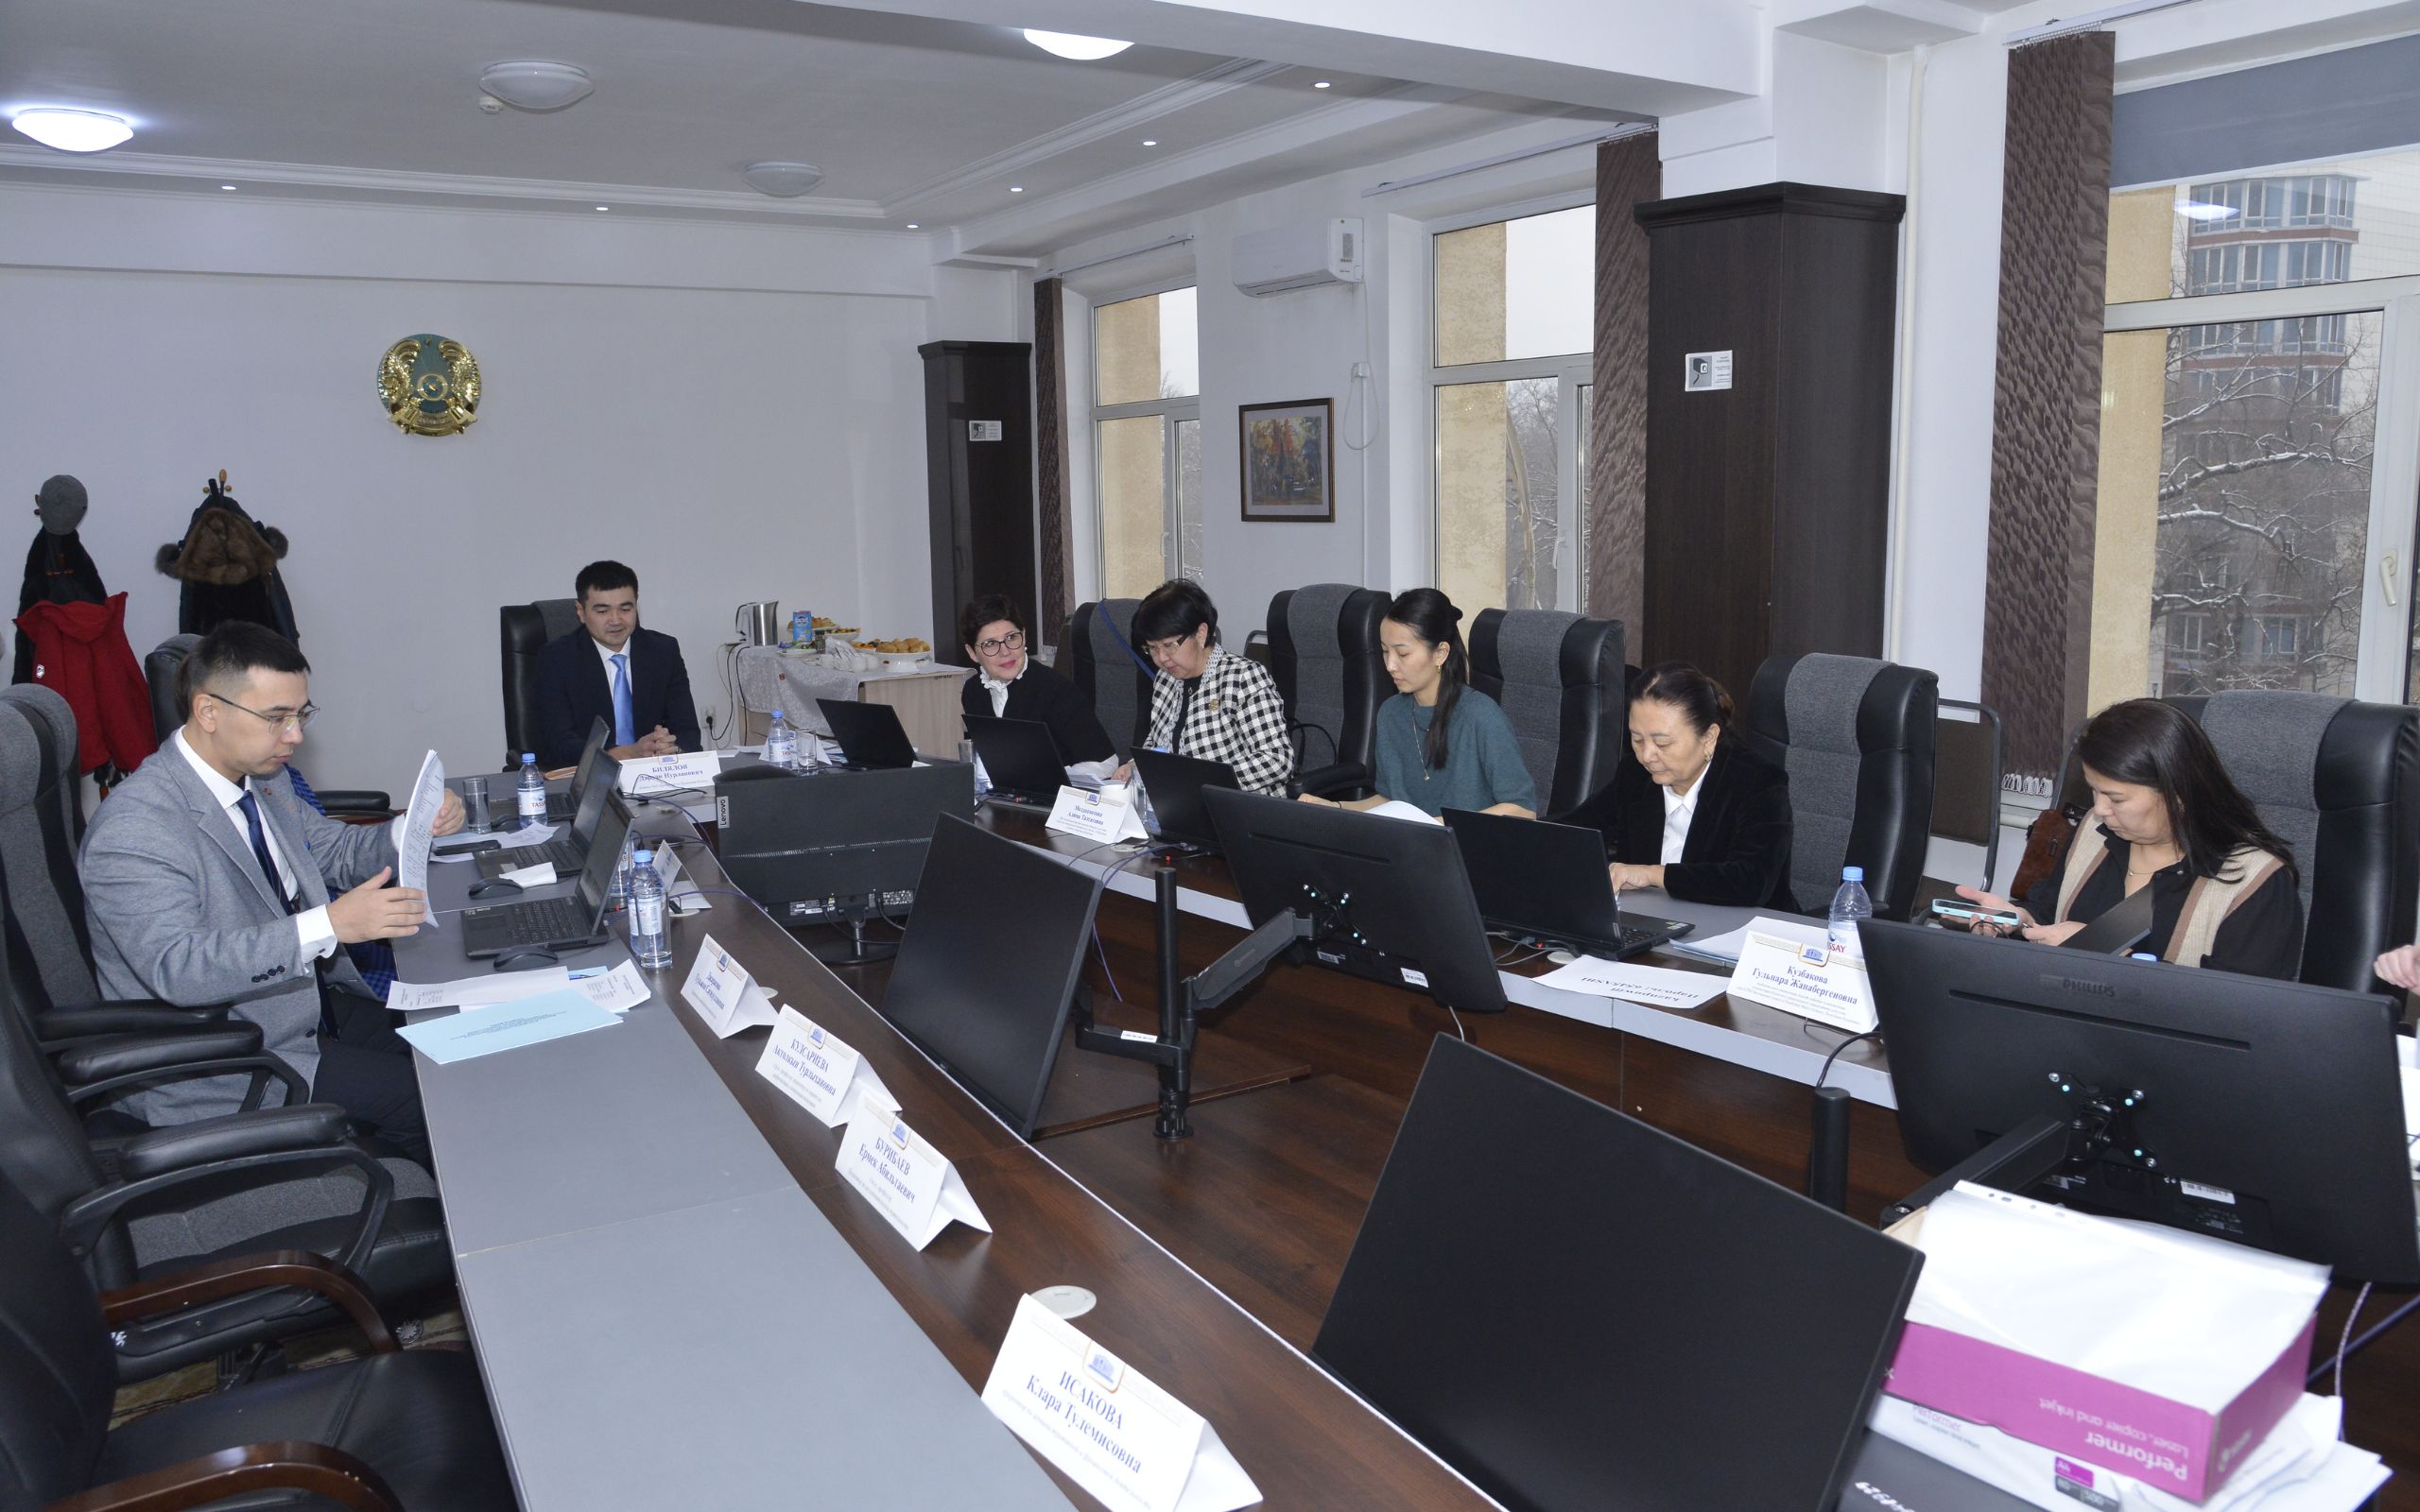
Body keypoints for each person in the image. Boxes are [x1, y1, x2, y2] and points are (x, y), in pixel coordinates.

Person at [79, 623, 463, 1151]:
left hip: (299, 1006)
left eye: (301, 714)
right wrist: (329, 924)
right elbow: (180, 968)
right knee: (424, 1101)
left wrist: (412, 827)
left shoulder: (263, 778)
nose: (295, 736)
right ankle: (391, 1192)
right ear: (208, 711)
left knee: (451, 1039)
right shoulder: (136, 827)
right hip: (225, 1055)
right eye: (276, 718)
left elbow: (333, 852)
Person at [1956, 698, 2301, 979]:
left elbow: (2240, 1014)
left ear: (2178, 794)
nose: (2099, 809)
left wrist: (2105, 958)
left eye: (2116, 799)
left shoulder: (2255, 884)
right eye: (2094, 790)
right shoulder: (2094, 833)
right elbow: (2049, 910)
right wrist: (2017, 918)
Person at [1556, 662, 1794, 908]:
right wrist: (1533, 833)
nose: (1646, 755)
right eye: (1637, 739)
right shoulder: (1636, 774)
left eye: (1662, 744)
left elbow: (1751, 882)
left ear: (1709, 738)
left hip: (1743, 925)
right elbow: (1576, 829)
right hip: (1651, 917)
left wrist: (1651, 875)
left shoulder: (1758, 782)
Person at [1298, 588, 1535, 819]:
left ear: (1440, 653)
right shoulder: (1390, 713)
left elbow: (1522, 809)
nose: (1390, 665)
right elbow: (1391, 801)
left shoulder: (1481, 716)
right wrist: (1336, 807)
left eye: (1403, 654)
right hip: (1410, 841)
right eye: (1384, 651)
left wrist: (1439, 826)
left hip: (1465, 843)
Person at [1125, 578, 1294, 796]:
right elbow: (1160, 741)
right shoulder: (1165, 679)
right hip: (1184, 804)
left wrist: (1206, 781)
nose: (1162, 658)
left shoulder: (1242, 677)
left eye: (1169, 645)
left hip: (1240, 806)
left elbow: (1278, 759)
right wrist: (1136, 765)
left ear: (1201, 633)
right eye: (1152, 648)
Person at [530, 559, 700, 766]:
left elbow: (688, 730)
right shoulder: (556, 658)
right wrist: (628, 753)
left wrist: (671, 748)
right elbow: (559, 741)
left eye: (625, 609)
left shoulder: (663, 651)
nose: (616, 620)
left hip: (655, 774)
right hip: (588, 776)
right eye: (602, 611)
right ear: (581, 612)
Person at [959, 593, 1116, 782]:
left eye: (1011, 637)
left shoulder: (1057, 691)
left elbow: (1105, 763)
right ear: (972, 653)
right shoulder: (973, 692)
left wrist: (1047, 778)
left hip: (1057, 794)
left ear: (1024, 636)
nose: (1005, 651)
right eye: (990, 644)